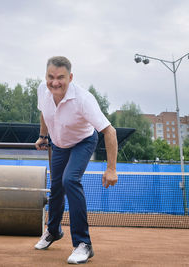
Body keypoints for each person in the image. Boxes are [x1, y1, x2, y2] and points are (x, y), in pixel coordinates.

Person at [34, 56, 118, 264]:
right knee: (56, 188)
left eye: (60, 77)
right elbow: (45, 113)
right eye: (50, 77)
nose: (55, 82)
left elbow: (110, 131)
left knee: (70, 180)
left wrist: (111, 169)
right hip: (59, 144)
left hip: (83, 141)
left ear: (70, 77)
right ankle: (53, 231)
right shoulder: (43, 91)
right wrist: (43, 136)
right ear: (46, 76)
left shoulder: (83, 99)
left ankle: (83, 244)